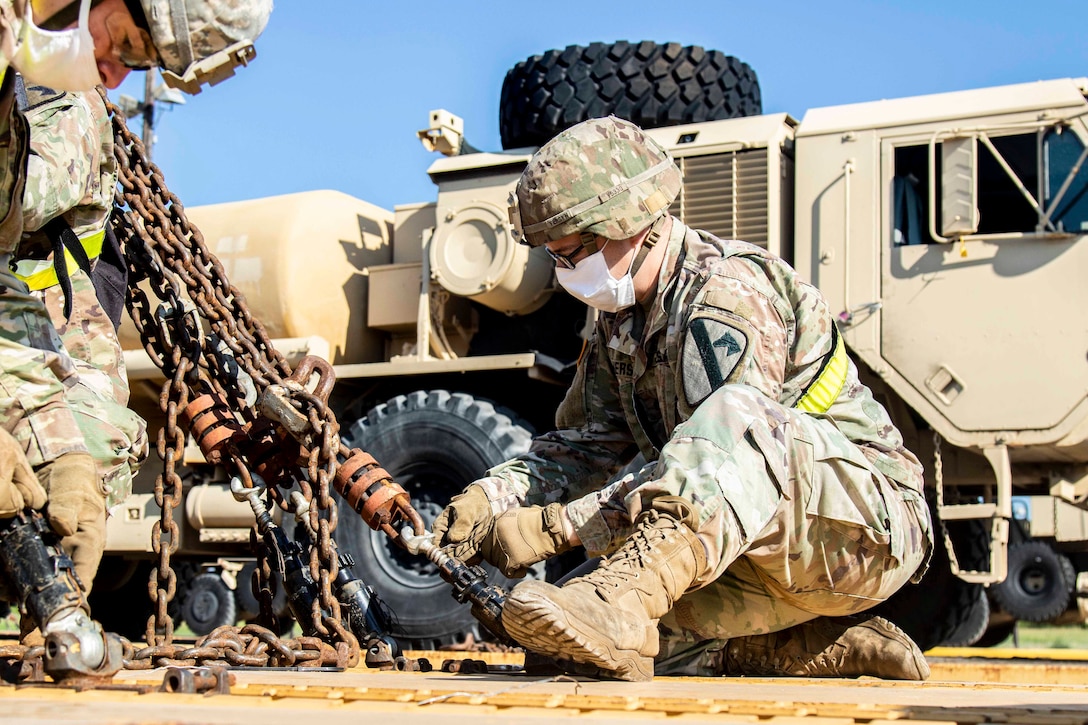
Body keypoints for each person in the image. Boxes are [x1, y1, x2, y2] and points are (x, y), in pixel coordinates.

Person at [433, 116, 934, 682]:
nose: (566, 271)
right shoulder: (617, 323)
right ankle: (799, 648)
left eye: (572, 252)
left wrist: (558, 527)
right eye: (556, 257)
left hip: (859, 532)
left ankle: (624, 601)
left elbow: (730, 452)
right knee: (565, 640)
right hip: (747, 544)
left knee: (731, 417)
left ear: (628, 222)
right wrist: (492, 497)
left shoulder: (727, 294)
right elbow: (589, 446)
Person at [0, 0, 270, 612]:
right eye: (123, 44)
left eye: (139, 64)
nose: (118, 75)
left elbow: (51, 293)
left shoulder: (75, 110)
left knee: (85, 453)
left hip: (30, 327)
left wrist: (65, 453)